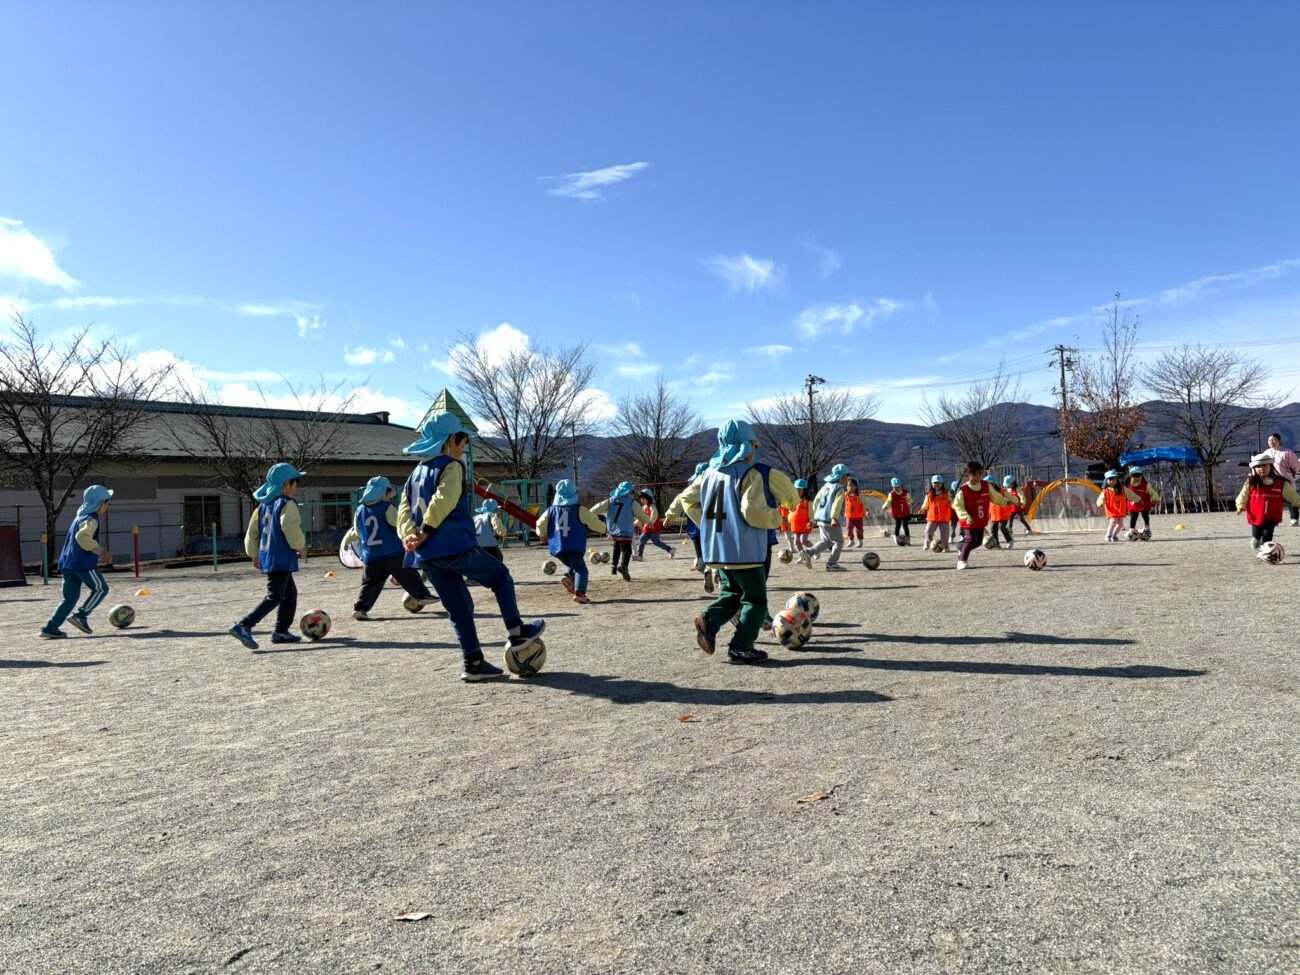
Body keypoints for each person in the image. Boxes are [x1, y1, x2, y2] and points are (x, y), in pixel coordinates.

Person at [397, 412, 544, 682]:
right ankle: (516, 632)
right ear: (452, 440)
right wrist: (427, 531)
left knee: (459, 609)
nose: (464, 448)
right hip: (454, 545)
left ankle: (473, 663)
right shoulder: (451, 466)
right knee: (500, 576)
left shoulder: (414, 474)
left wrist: (410, 536)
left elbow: (403, 510)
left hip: (427, 556)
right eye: (463, 443)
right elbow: (444, 500)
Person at [671, 419, 785, 664]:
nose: (757, 448)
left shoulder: (708, 474)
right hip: (744, 549)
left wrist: (705, 523)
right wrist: (776, 517)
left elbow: (685, 498)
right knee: (755, 600)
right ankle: (741, 646)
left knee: (732, 593)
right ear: (747, 446)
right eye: (756, 444)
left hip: (718, 549)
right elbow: (751, 512)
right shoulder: (749, 473)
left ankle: (709, 618)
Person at [229, 464, 307, 649]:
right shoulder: (287, 503)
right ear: (287, 484)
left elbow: (252, 532)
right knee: (275, 596)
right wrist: (300, 545)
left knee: (289, 594)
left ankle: (281, 631)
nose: (296, 488)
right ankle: (244, 625)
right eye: (295, 484)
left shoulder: (263, 506)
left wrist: (254, 554)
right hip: (281, 556)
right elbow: (289, 525)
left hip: (269, 555)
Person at [342, 476, 442, 621]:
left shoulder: (359, 511)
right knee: (409, 575)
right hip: (393, 554)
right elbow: (400, 524)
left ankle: (360, 609)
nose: (389, 497)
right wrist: (414, 532)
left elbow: (356, 531)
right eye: (388, 493)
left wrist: (346, 542)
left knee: (369, 584)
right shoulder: (387, 508)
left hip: (371, 558)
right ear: (382, 493)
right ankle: (422, 596)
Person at [40, 485, 114, 639]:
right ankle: (81, 615)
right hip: (83, 563)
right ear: (100, 503)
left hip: (68, 564)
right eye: (107, 503)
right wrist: (101, 551)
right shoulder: (91, 519)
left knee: (69, 598)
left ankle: (50, 627)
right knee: (101, 589)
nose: (108, 506)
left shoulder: (78, 517)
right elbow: (82, 537)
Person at [534, 479, 606, 604]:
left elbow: (539, 523)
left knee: (571, 563)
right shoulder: (579, 510)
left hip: (557, 548)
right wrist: (604, 529)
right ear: (574, 494)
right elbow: (593, 521)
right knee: (581, 570)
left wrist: (542, 534)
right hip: (574, 545)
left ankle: (568, 576)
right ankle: (580, 593)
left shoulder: (551, 510)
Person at [952, 461, 1017, 569]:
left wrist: (1006, 502)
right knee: (971, 540)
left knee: (977, 542)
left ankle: (961, 547)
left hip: (980, 521)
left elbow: (996, 498)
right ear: (968, 475)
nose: (978, 477)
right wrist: (966, 517)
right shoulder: (963, 490)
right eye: (975, 474)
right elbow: (957, 506)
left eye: (980, 474)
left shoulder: (986, 486)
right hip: (968, 521)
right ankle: (962, 561)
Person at [1236, 453, 1300, 550]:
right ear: (1254, 469)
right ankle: (1257, 538)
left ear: (1271, 467)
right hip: (1256, 515)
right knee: (1257, 534)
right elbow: (1243, 495)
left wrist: (1298, 502)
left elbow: (1292, 495)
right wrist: (1240, 505)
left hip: (1272, 515)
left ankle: (1266, 550)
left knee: (1268, 534)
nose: (1261, 469)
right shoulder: (1251, 482)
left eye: (1264, 466)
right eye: (1258, 467)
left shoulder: (1280, 483)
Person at [589, 481, 651, 581]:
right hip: (625, 531)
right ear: (629, 492)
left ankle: (613, 566)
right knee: (627, 550)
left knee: (616, 547)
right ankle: (624, 566)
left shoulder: (610, 501)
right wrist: (648, 522)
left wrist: (588, 514)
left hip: (613, 531)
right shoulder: (631, 502)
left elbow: (597, 508)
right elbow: (641, 514)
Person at [807, 464, 852, 571]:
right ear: (842, 477)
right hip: (830, 519)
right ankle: (831, 564)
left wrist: (814, 517)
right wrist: (834, 518)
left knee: (826, 541)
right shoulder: (839, 489)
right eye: (847, 475)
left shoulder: (825, 486)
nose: (848, 478)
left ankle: (808, 552)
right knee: (839, 542)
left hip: (820, 519)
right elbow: (836, 504)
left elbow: (816, 501)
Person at [1263, 433, 1300, 526]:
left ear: (1279, 441)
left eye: (1274, 439)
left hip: (1285, 479)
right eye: (1270, 440)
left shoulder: (1287, 452)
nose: (1272, 441)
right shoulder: (1266, 453)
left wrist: (1291, 475)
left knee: (1291, 498)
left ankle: (1294, 519)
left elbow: (1295, 466)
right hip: (1271, 480)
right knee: (1273, 500)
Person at [633, 489, 676, 561]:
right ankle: (639, 556)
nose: (642, 500)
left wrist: (650, 523)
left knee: (657, 543)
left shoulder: (652, 507)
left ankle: (670, 549)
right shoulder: (643, 508)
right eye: (641, 498)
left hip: (654, 529)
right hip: (646, 530)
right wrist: (634, 524)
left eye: (644, 498)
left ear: (648, 499)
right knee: (641, 540)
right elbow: (641, 517)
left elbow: (654, 516)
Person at [1096, 470, 1133, 543]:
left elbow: (1130, 494)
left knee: (1120, 524)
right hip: (1111, 509)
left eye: (1113, 478)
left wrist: (1136, 499)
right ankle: (1108, 535)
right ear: (1106, 481)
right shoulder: (1105, 491)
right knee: (1113, 521)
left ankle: (1114, 535)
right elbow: (1100, 499)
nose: (1112, 481)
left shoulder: (1122, 489)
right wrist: (1100, 503)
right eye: (1110, 479)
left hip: (1120, 510)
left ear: (1117, 479)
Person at [917, 475, 952, 552]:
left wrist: (954, 498)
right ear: (932, 484)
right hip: (932, 517)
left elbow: (952, 502)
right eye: (934, 483)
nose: (936, 484)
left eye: (938, 483)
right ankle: (927, 543)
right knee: (928, 531)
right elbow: (926, 504)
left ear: (942, 483)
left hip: (944, 517)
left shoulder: (947, 493)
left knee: (944, 535)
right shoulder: (929, 494)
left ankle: (946, 547)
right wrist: (922, 509)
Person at [1124, 467, 1161, 536]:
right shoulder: (1127, 485)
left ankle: (1147, 527)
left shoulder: (1146, 484)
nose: (1137, 478)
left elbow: (1152, 492)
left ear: (1141, 475)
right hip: (1133, 504)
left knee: (1145, 515)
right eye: (1135, 476)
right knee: (1133, 516)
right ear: (1130, 476)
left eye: (1139, 475)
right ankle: (1132, 529)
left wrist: (1155, 498)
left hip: (1144, 503)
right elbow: (1124, 493)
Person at [988, 475, 1017, 548]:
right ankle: (996, 543)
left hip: (1004, 514)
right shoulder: (988, 493)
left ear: (993, 484)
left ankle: (1009, 540)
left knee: (1002, 527)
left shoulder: (1002, 491)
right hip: (994, 514)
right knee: (993, 529)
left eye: (989, 484)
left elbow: (1010, 500)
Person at [883, 477, 912, 543]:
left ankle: (908, 539)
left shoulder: (905, 493)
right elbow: (888, 501)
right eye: (895, 487)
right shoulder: (892, 494)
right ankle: (896, 537)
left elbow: (909, 498)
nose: (897, 489)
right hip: (896, 513)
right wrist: (885, 506)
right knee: (897, 525)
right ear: (893, 487)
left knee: (905, 526)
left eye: (898, 487)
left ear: (901, 486)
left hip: (904, 512)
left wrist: (911, 502)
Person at [790, 479, 814, 553]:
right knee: (796, 542)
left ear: (805, 490)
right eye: (796, 489)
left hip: (805, 525)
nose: (798, 491)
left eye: (800, 490)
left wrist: (812, 521)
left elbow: (812, 512)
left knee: (803, 540)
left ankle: (815, 551)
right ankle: (802, 556)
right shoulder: (793, 500)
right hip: (796, 525)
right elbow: (791, 512)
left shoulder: (808, 501)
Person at [844, 479, 865, 548]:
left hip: (858, 516)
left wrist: (867, 509)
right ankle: (851, 540)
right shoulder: (845, 495)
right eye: (848, 486)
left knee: (859, 529)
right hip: (849, 516)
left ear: (855, 487)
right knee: (848, 528)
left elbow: (865, 503)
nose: (850, 487)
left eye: (852, 486)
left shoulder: (859, 495)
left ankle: (860, 541)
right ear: (847, 487)